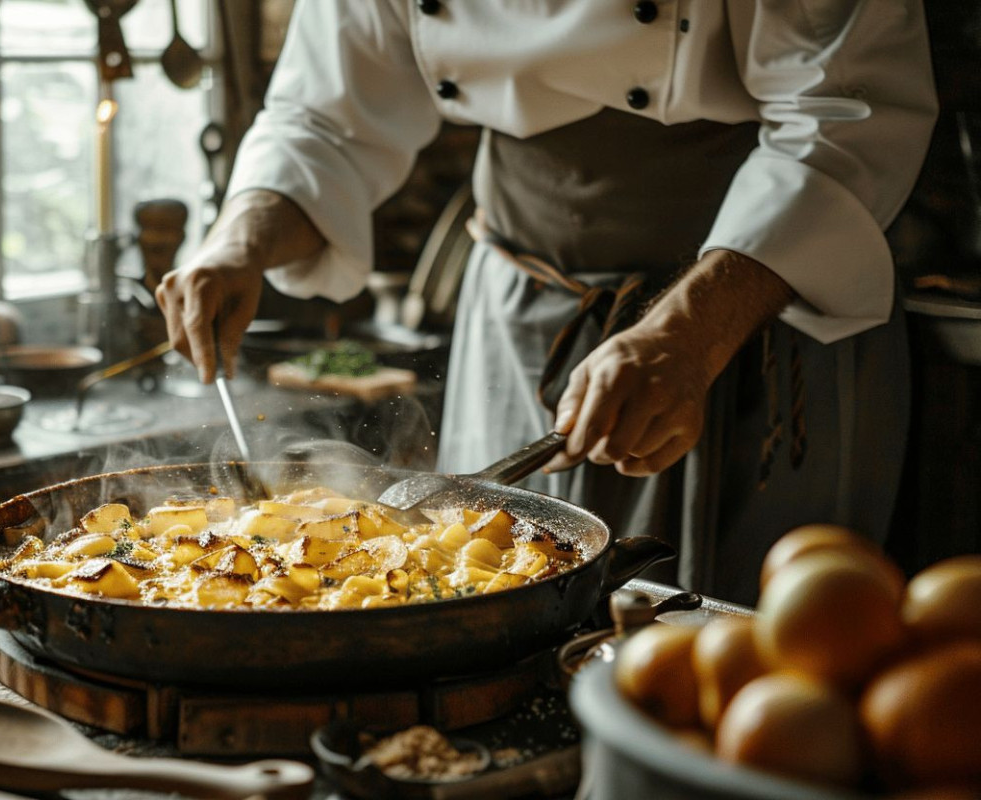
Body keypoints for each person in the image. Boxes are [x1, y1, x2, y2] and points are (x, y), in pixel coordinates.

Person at [155, 0, 937, 603]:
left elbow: (847, 115)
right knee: (480, 598)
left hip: (757, 303)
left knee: (748, 668)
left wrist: (687, 335)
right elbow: (324, 117)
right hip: (519, 307)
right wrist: (239, 242)